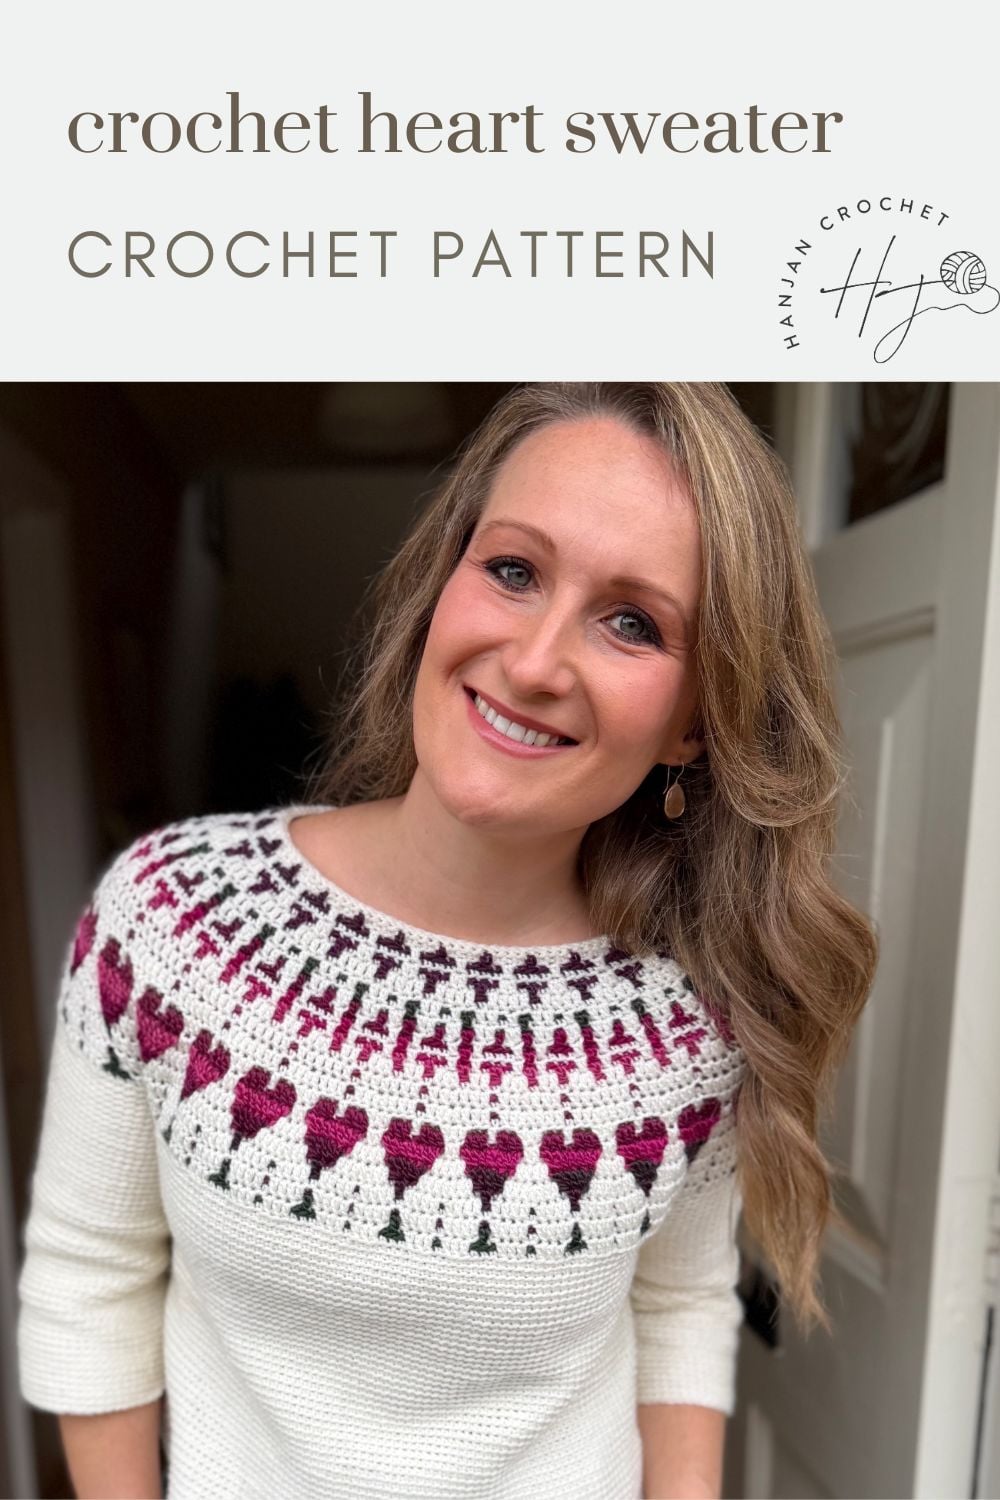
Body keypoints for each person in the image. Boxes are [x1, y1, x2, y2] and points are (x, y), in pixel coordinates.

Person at [16, 382, 878, 1500]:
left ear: (693, 719)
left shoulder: (684, 1023)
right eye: (512, 570)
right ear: (442, 585)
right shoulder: (171, 915)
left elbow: (677, 1309)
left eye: (633, 621)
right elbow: (91, 1274)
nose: (532, 662)